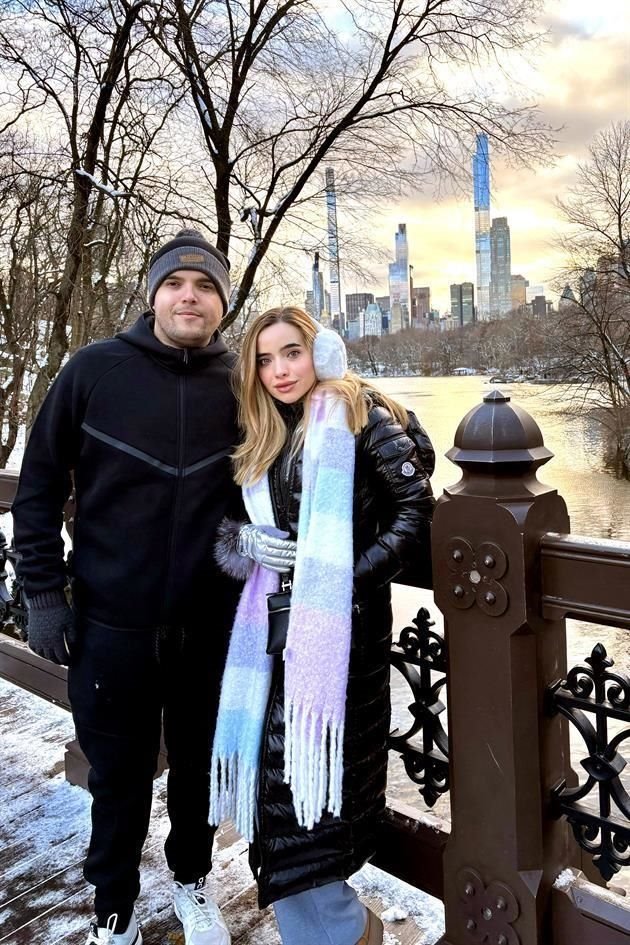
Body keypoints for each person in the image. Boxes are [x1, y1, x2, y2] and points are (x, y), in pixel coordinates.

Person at [11, 230, 293, 945]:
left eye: (205, 286)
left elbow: (312, 451)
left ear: (224, 304)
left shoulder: (245, 384)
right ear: (154, 294)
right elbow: (39, 487)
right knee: (118, 779)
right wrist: (43, 593)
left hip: (213, 627)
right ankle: (115, 907)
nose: (189, 295)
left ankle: (193, 884)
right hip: (112, 623)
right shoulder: (93, 371)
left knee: (200, 768)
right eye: (176, 284)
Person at [211, 306, 435, 945]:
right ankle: (350, 932)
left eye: (292, 352)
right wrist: (246, 541)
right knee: (280, 812)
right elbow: (233, 523)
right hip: (272, 639)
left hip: (341, 640)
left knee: (311, 813)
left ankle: (347, 933)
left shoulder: (360, 417)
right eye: (264, 358)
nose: (279, 370)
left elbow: (413, 509)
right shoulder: (266, 432)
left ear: (322, 352)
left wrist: (342, 580)